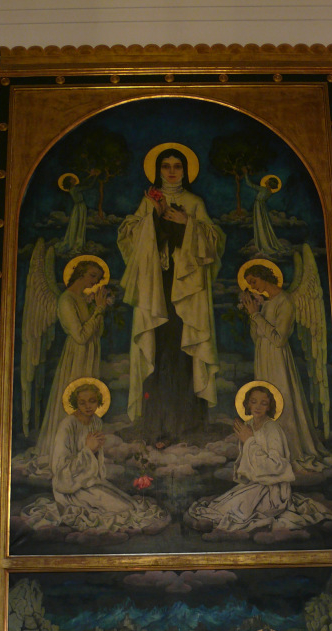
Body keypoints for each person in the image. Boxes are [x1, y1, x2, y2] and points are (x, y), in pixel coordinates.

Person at [118, 146, 225, 443]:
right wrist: (153, 215)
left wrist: (188, 224)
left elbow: (214, 243)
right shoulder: (148, 201)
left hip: (187, 293)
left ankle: (188, 426)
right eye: (166, 166)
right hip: (157, 289)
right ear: (158, 170)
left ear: (185, 170)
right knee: (158, 352)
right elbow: (128, 238)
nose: (172, 171)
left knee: (184, 353)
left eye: (177, 166)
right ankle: (156, 426)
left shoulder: (194, 202)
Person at [23, 379, 170, 538]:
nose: (88, 406)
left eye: (92, 401)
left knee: (131, 505)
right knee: (122, 510)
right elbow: (60, 472)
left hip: (90, 481)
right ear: (75, 403)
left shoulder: (96, 422)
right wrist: (88, 450)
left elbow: (95, 463)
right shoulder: (67, 425)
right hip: (70, 487)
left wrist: (93, 455)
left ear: (99, 401)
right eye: (82, 402)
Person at [186, 384, 332, 536]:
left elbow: (276, 466)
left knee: (234, 512)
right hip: (255, 484)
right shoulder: (248, 425)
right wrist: (247, 443)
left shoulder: (272, 429)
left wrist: (249, 441)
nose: (258, 407)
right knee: (222, 505)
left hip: (273, 489)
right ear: (247, 403)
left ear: (269, 407)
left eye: (264, 403)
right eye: (254, 401)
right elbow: (246, 461)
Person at [240, 265, 332, 471]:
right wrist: (253, 313)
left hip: (277, 359)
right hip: (263, 356)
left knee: (282, 398)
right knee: (265, 397)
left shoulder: (285, 301)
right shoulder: (265, 303)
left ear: (264, 277)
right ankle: (269, 450)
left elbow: (279, 339)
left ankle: (289, 450)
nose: (253, 286)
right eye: (250, 284)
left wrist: (256, 316)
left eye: (254, 281)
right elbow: (257, 337)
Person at [35, 261, 109, 460]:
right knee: (77, 398)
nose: (95, 282)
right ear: (81, 273)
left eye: (98, 278)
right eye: (93, 275)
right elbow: (80, 336)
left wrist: (97, 308)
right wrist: (98, 310)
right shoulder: (66, 300)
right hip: (77, 355)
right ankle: (67, 453)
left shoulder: (83, 299)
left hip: (90, 353)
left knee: (89, 399)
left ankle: (86, 450)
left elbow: (98, 332)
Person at [242, 171, 290, 257]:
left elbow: (250, 184)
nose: (266, 181)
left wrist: (245, 174)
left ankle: (263, 243)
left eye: (268, 181)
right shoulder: (269, 192)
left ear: (269, 183)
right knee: (263, 224)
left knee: (260, 223)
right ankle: (264, 241)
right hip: (262, 207)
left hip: (258, 206)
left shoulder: (264, 189)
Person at [55, 171, 98, 254]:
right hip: (80, 207)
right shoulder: (75, 189)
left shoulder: (73, 188)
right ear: (70, 182)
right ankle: (78, 244)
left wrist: (90, 176)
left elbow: (82, 183)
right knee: (79, 224)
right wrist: (94, 177)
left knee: (78, 224)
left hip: (78, 207)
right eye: (72, 179)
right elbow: (88, 186)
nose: (74, 179)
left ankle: (76, 242)